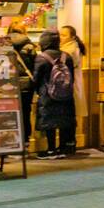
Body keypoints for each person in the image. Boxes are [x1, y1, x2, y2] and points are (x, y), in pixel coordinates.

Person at [33, 30, 77, 159]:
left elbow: (36, 78)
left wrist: (37, 92)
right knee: (63, 120)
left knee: (49, 123)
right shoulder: (66, 56)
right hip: (66, 94)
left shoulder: (42, 57)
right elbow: (71, 77)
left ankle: (51, 149)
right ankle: (62, 148)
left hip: (48, 94)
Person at [8, 24, 37, 147]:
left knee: (10, 113)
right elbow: (35, 66)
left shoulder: (3, 44)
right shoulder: (29, 46)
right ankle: (25, 141)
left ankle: (12, 142)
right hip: (26, 85)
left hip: (8, 85)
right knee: (25, 112)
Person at [59, 25, 86, 146]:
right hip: (70, 85)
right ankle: (69, 142)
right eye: (60, 34)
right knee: (68, 114)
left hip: (71, 86)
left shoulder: (71, 49)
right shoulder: (67, 47)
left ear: (72, 37)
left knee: (68, 115)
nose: (61, 37)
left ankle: (69, 142)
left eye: (64, 35)